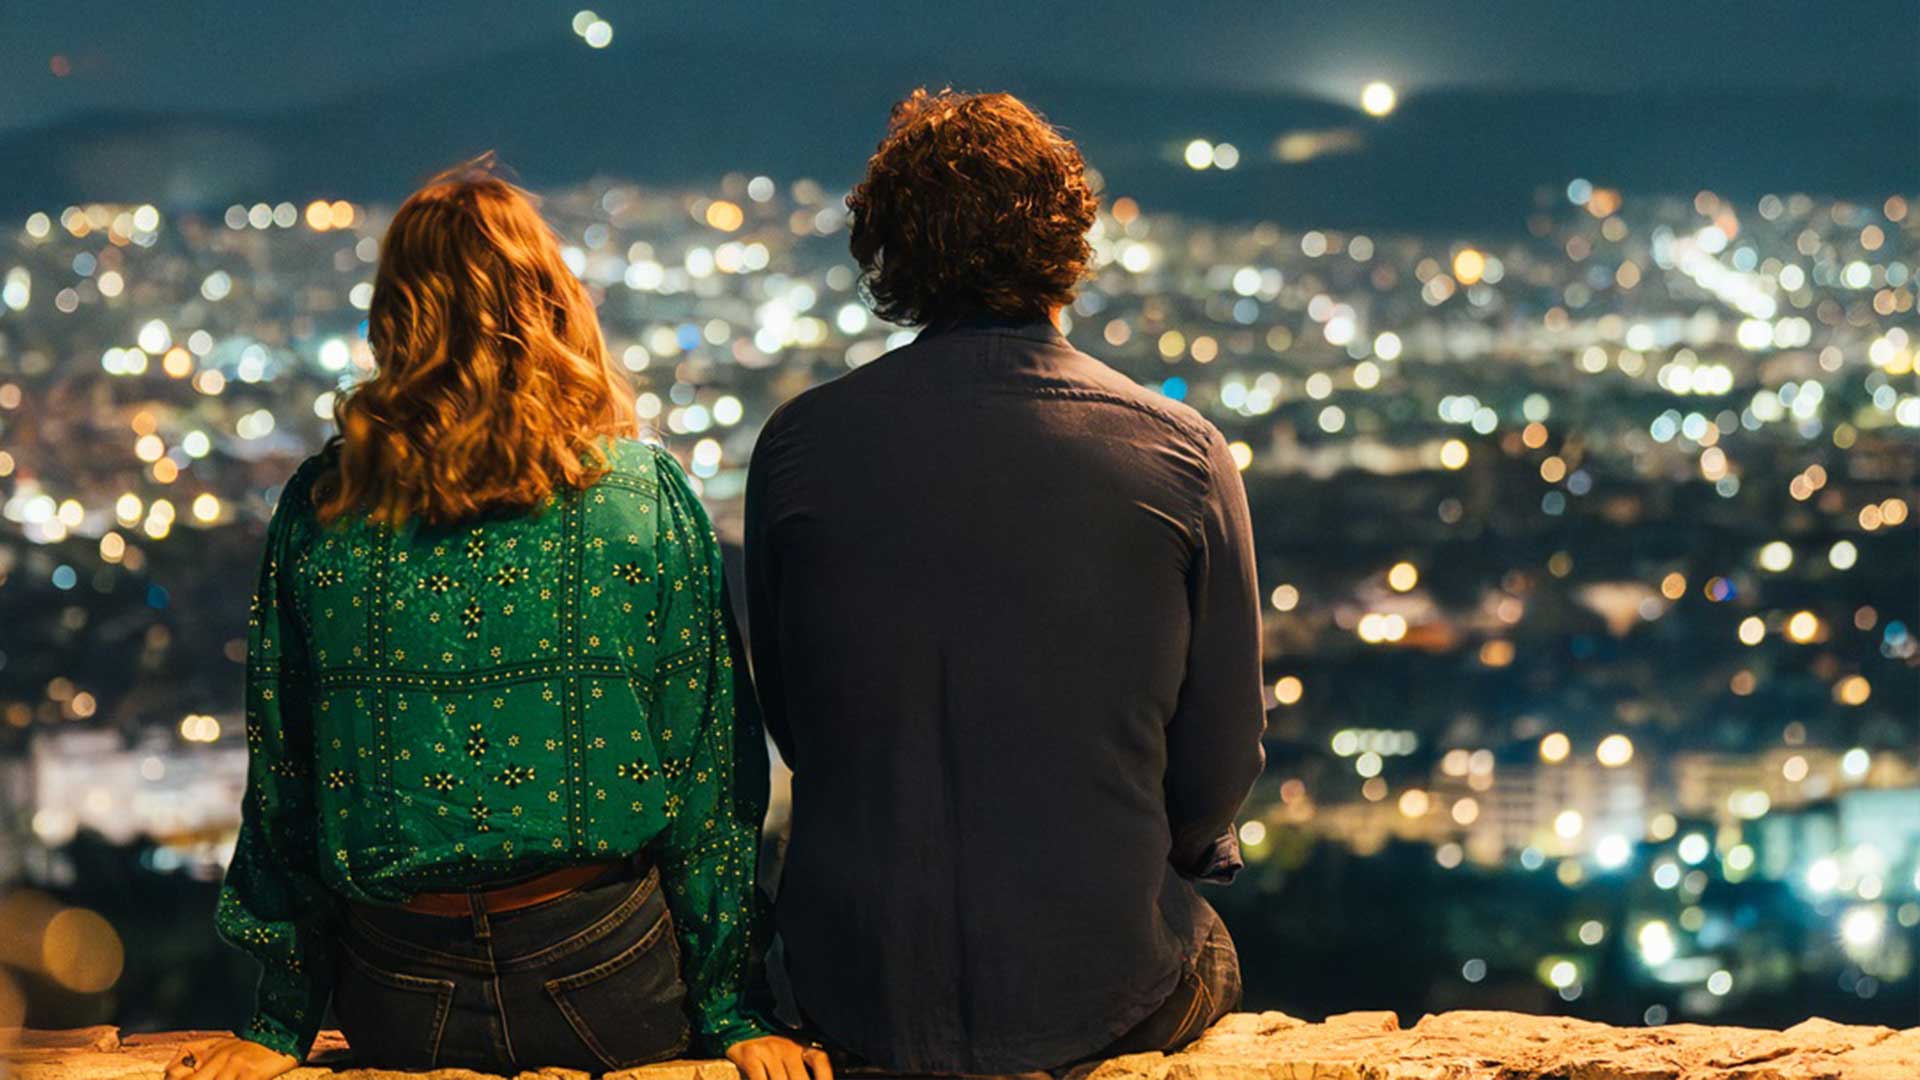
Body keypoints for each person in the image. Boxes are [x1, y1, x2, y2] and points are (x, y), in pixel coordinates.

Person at [167, 162, 827, 1080]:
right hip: (610, 972)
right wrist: (733, 1008)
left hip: (396, 988)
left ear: (392, 317)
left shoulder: (325, 507)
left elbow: (288, 776)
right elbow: (709, 774)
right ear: (550, 305)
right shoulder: (641, 499)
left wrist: (280, 1020)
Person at [744, 90, 1267, 1076]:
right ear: (1068, 242)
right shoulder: (1181, 453)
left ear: (890, 255)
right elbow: (1222, 755)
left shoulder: (799, 445)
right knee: (1204, 944)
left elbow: (796, 723)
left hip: (854, 983)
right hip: (1105, 983)